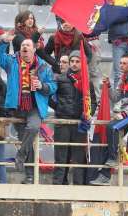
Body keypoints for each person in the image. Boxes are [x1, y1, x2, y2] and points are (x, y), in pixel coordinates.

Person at [0, 34, 57, 183]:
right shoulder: (11, 62)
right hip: (17, 106)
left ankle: (20, 154)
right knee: (25, 140)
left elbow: (53, 87)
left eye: (28, 45)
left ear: (34, 49)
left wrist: (42, 86)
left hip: (34, 106)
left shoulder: (43, 66)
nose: (24, 47)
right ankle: (30, 176)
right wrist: (3, 42)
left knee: (34, 128)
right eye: (22, 45)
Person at [89, 56, 128, 186]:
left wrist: (124, 113)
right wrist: (108, 86)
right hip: (126, 113)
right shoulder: (123, 79)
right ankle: (105, 175)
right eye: (120, 63)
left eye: (125, 63)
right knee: (110, 138)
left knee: (112, 128)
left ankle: (113, 158)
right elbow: (115, 98)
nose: (121, 65)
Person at [52, 50, 97, 185]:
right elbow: (49, 97)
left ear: (82, 63)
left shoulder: (87, 82)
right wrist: (59, 108)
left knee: (79, 157)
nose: (74, 64)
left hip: (80, 124)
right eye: (72, 61)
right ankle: (58, 186)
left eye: (77, 61)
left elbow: (93, 102)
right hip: (63, 122)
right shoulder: (59, 79)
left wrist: (89, 113)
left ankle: (79, 186)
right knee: (61, 156)